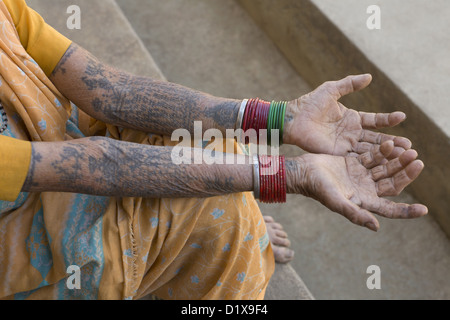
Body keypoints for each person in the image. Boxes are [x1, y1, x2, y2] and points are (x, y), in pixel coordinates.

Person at [0, 0, 427, 300]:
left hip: (55, 156)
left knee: (207, 140)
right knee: (221, 218)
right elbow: (107, 167)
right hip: (18, 241)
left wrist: (281, 118)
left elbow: (111, 91)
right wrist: (286, 174)